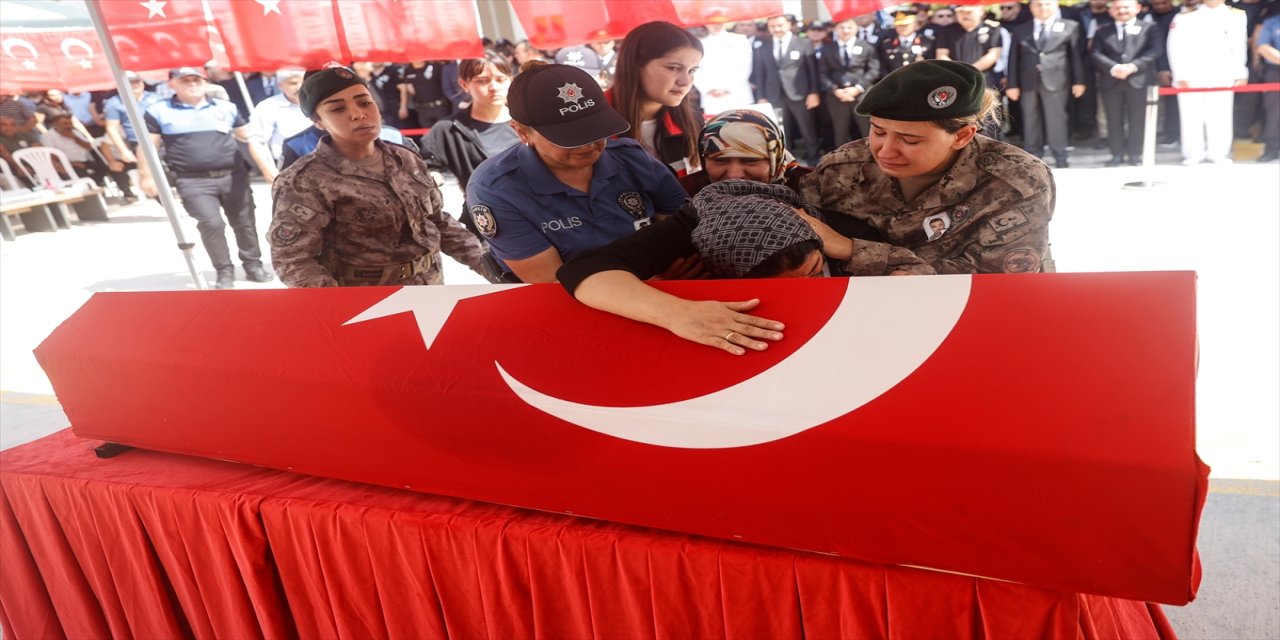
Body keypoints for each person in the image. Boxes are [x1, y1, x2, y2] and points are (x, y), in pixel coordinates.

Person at [800, 60, 1053, 278]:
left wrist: (850, 249)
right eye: (878, 131)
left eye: (909, 140)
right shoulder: (840, 168)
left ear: (963, 136)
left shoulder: (1016, 180)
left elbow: (998, 276)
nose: (885, 151)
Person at [464, 63, 688, 283]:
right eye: (571, 137)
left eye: (596, 129)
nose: (589, 145)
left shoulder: (633, 160)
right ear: (522, 132)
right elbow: (552, 282)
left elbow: (685, 233)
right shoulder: (496, 188)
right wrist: (651, 280)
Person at [269, 67, 489, 287]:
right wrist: (337, 308)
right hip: (366, 300)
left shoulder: (406, 158)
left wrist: (490, 266)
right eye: (337, 109)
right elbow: (293, 260)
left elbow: (437, 221)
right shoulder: (304, 180)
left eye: (365, 102)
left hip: (430, 285)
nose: (358, 113)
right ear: (318, 122)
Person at [143, 67, 273, 289]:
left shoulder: (226, 107)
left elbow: (247, 135)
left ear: (205, 82)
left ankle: (253, 265)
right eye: (185, 80)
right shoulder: (158, 111)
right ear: (172, 83)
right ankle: (224, 270)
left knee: (245, 223)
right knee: (211, 223)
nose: (193, 84)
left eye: (197, 79)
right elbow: (148, 146)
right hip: (193, 181)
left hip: (233, 176)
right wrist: (146, 176)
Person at [421, 50, 521, 236]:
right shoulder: (447, 129)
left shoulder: (529, 122)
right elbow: (424, 168)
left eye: (500, 79)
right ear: (464, 84)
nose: (494, 87)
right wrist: (433, 177)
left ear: (511, 80)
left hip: (542, 217)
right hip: (489, 227)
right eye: (482, 80)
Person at [609, 21, 705, 175]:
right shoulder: (594, 125)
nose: (685, 81)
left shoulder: (693, 122)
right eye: (673, 68)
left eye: (692, 70)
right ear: (635, 64)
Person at [1166, 0, 1249, 164]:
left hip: (1222, 73)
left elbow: (1239, 46)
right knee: (1191, 115)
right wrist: (1180, 74)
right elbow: (1175, 46)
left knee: (1221, 115)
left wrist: (1240, 71)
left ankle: (1218, 153)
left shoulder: (1236, 16)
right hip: (1191, 74)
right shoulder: (1185, 16)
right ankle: (1193, 153)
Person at [1006, 0, 1086, 167]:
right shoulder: (1021, 29)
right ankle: (1033, 155)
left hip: (1057, 79)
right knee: (1030, 118)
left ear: (1056, 6)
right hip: (1027, 80)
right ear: (1031, 8)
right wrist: (1012, 84)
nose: (1043, 8)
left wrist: (1079, 81)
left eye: (1047, 4)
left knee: (1057, 118)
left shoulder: (1070, 26)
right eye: (1039, 5)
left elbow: (1076, 57)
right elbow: (1013, 59)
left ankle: (1060, 155)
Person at [1090, 0, 1161, 166]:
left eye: (1125, 7)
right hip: (1111, 80)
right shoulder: (1102, 31)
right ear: (1111, 11)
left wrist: (1133, 66)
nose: (1121, 10)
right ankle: (1117, 155)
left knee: (1138, 119)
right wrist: (1114, 67)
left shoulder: (1150, 28)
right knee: (1113, 120)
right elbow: (1095, 53)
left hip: (1139, 80)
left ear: (1137, 8)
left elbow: (1155, 50)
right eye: (1117, 8)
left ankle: (1135, 155)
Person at [751, 14, 822, 165]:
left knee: (807, 127)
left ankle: (813, 157)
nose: (776, 29)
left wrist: (813, 93)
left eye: (780, 25)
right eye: (773, 26)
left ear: (789, 25)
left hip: (799, 93)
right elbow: (759, 73)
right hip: (773, 94)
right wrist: (761, 96)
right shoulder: (762, 45)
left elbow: (813, 71)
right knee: (780, 129)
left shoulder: (803, 43)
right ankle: (786, 158)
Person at [39, 114, 134, 199]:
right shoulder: (48, 136)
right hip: (65, 164)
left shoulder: (74, 132)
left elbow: (88, 146)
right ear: (56, 124)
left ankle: (92, 189)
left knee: (104, 168)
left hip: (84, 160)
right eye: (65, 124)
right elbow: (52, 156)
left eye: (70, 123)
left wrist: (74, 137)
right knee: (80, 171)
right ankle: (87, 193)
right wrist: (71, 163)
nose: (68, 126)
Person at [821, 16, 882, 146]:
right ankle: (841, 162)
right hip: (837, 98)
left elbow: (874, 70)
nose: (846, 30)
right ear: (835, 29)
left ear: (856, 28)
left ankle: (871, 160)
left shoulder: (866, 46)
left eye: (849, 27)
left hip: (862, 97)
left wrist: (858, 88)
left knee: (868, 132)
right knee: (840, 133)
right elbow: (822, 73)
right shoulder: (827, 49)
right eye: (842, 27)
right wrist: (834, 89)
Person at [246, 69, 312, 183]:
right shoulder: (268, 107)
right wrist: (266, 169)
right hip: (289, 167)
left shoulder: (321, 103)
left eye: (303, 82)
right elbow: (257, 141)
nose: (300, 87)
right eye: (293, 83)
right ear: (280, 85)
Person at [694, 21, 756, 117]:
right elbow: (695, 70)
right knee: (715, 129)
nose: (716, 24)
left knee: (742, 127)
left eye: (719, 21)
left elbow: (745, 67)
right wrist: (707, 89)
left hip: (738, 95)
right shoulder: (699, 43)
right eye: (712, 21)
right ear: (706, 23)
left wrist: (728, 88)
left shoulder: (739, 40)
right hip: (710, 97)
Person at [103, 71, 164, 165]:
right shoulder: (114, 102)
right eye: (129, 82)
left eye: (137, 81)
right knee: (149, 173)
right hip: (139, 143)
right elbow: (112, 128)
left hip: (163, 140)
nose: (134, 85)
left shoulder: (157, 98)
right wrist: (123, 150)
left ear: (142, 82)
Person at [1258, 11, 1280, 162]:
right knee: (1274, 114)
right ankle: (1271, 149)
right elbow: (1263, 47)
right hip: (1276, 71)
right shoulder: (1272, 22)